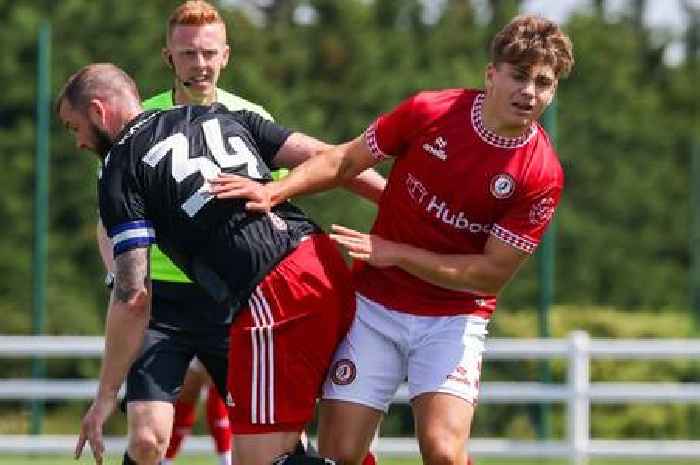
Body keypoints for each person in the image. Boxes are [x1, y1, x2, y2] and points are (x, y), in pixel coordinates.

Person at [209, 14, 574, 465]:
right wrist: (273, 190)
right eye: (519, 76)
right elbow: (344, 160)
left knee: (442, 451)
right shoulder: (431, 112)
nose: (529, 93)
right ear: (491, 74)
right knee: (339, 455)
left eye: (543, 83)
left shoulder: (541, 174)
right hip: (376, 308)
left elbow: (490, 274)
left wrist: (397, 253)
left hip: (453, 318)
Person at [60, 64, 384, 465]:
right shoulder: (218, 115)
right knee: (304, 447)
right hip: (322, 260)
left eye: (74, 128)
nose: (78, 142)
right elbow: (329, 157)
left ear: (97, 111)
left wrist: (105, 397)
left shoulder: (119, 168)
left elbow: (132, 295)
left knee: (259, 459)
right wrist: (399, 206)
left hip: (274, 293)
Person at [93, 3, 278, 465]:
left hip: (233, 301)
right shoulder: (139, 124)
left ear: (226, 56)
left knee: (268, 440)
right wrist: (121, 280)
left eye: (208, 52)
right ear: (168, 57)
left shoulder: (250, 117)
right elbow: (108, 220)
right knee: (147, 440)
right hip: (162, 305)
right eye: (188, 53)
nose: (199, 64)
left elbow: (282, 198)